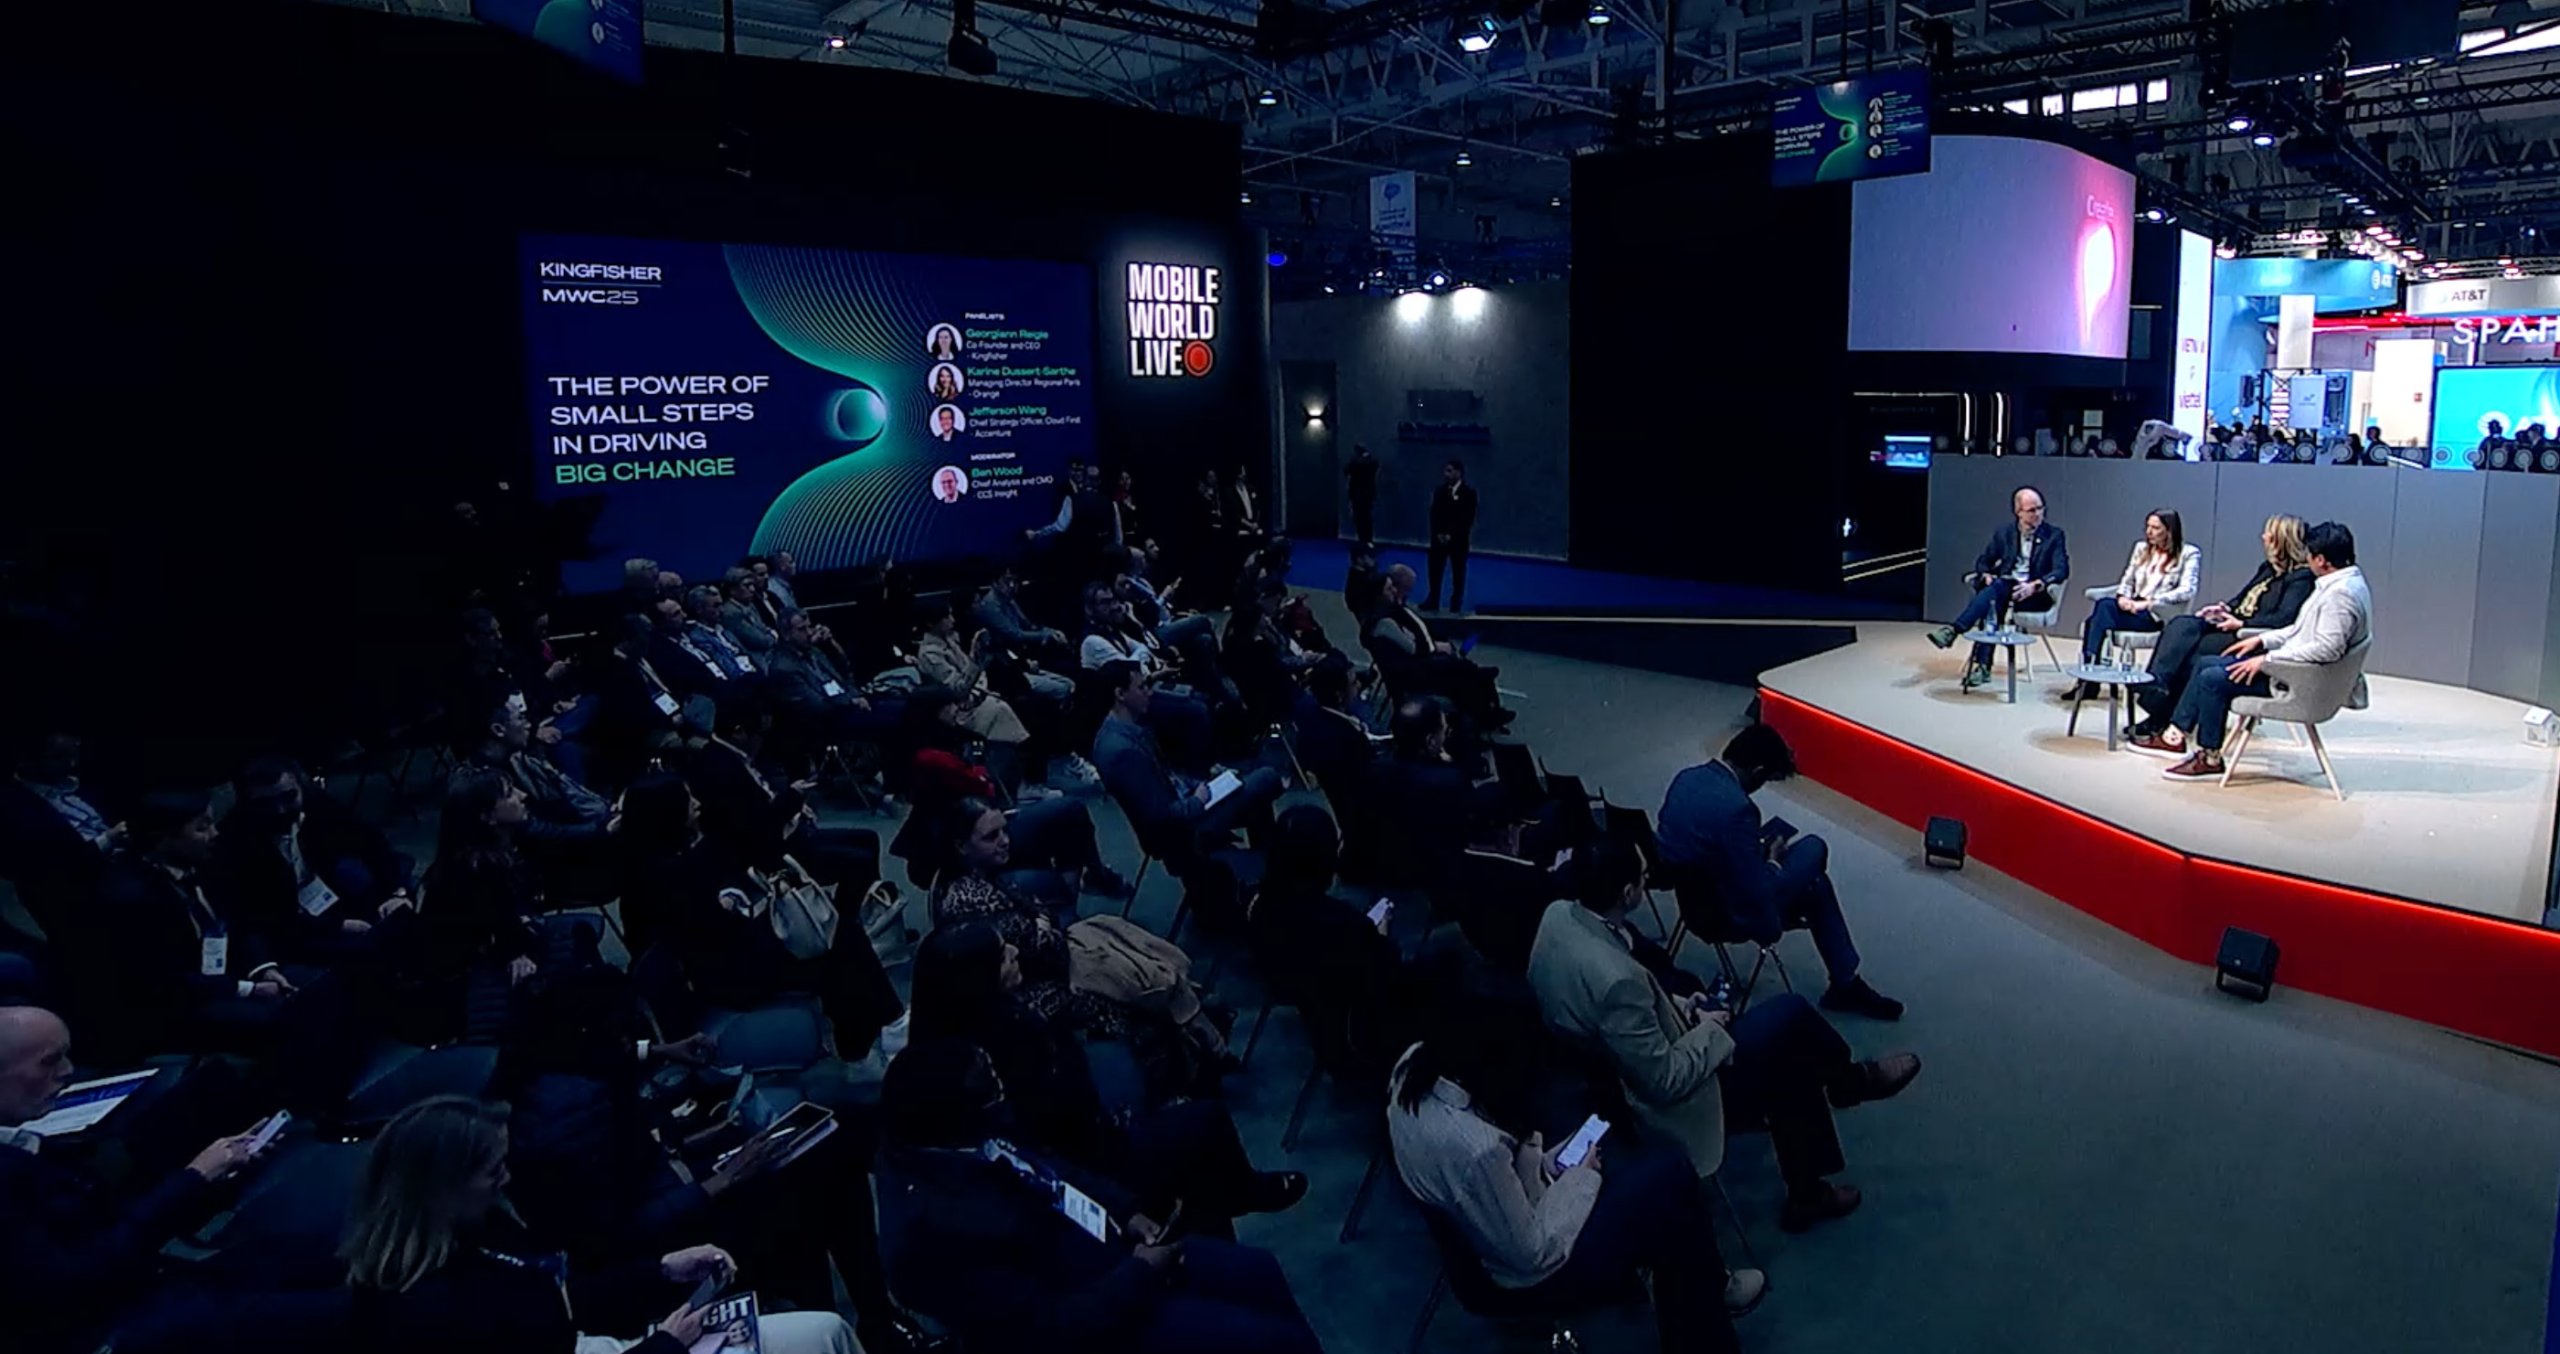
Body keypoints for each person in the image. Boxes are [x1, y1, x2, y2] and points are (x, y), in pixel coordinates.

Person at [1526, 837, 1921, 1230]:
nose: (1648, 885)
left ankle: (1834, 1117)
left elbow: (1625, 1010)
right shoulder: (1616, 981)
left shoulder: (1559, 915)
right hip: (1655, 1099)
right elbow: (1664, 1081)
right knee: (1791, 1030)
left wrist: (1680, 1006)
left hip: (1613, 1062)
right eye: (1645, 880)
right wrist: (1710, 1030)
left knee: (1789, 1039)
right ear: (1628, 893)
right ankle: (1842, 1098)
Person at [875, 1037, 1324, 1354]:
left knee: (1259, 1271)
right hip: (1083, 1311)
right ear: (956, 1113)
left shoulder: (963, 1128)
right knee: (1274, 1344)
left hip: (1105, 1250)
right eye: (990, 1087)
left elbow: (1049, 1169)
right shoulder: (928, 1237)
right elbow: (1046, 1332)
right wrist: (1142, 1273)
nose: (1002, 1092)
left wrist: (1125, 1209)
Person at [343, 1096, 857, 1354]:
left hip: (591, 1345)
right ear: (443, 1186)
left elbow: (558, 1302)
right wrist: (665, 1347)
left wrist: (660, 1270)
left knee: (823, 1331)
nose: (506, 1178)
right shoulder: (426, 1311)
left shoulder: (479, 1228)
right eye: (492, 1170)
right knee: (823, 1333)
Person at [1386, 1033, 1762, 1354]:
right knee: (1670, 1185)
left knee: (1664, 1198)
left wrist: (1542, 1165)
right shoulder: (1477, 1148)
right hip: (1522, 1274)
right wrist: (1579, 1180)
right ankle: (1705, 1311)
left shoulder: (1410, 1070)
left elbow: (1492, 1190)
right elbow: (1530, 1252)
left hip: (1482, 1237)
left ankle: (1698, 1294)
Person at [909, 921, 1292, 1220]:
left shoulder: (989, 1014)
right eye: (1003, 955)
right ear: (980, 979)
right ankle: (1239, 1193)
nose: (1014, 950)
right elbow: (1044, 1136)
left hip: (1086, 1124)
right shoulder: (981, 1063)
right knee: (1207, 1120)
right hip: (1082, 1162)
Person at [0, 1006, 280, 1354]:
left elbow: (105, 1218)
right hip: (109, 1327)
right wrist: (195, 1177)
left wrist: (206, 1177)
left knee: (332, 1259)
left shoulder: (23, 1142)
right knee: (340, 1312)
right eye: (49, 1062)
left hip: (146, 1281)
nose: (69, 1072)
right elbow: (73, 1282)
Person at [1656, 723, 1902, 1020]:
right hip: (1728, 915)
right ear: (1758, 771)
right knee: (1814, 848)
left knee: (1815, 885)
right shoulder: (1738, 809)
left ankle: (1846, 983)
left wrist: (1750, 853)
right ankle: (1846, 984)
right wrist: (1771, 859)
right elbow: (1759, 892)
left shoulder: (1686, 778)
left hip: (1691, 903)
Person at [2142, 521, 2373, 780]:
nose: (2306, 558)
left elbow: (2326, 650)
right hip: (2292, 666)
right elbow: (2299, 630)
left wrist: (2265, 660)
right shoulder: (2340, 583)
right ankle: (2175, 735)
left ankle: (2209, 756)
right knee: (2206, 663)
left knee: (2212, 678)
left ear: (2321, 559)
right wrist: (2261, 641)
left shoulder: (2340, 596)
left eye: (2309, 554)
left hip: (2299, 680)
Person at [79, 791, 296, 1062]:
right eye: (202, 828)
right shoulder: (129, 898)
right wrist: (246, 989)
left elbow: (242, 920)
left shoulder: (206, 862)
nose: (215, 834)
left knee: (305, 989)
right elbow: (161, 982)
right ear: (164, 838)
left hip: (221, 974)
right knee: (277, 1018)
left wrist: (264, 969)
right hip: (169, 1006)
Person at [2127, 515, 2313, 750]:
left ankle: (2162, 717)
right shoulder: (2267, 568)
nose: (2263, 537)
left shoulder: (2301, 578)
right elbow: (2242, 598)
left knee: (2195, 656)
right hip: (2232, 622)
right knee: (2181, 624)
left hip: (2251, 637)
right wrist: (2224, 608)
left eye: (2268, 533)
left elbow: (2284, 619)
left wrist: (2242, 623)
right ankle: (2156, 685)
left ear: (2281, 540)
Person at [213, 755, 415, 963]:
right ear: (245, 803)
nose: (280, 810)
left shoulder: (315, 804)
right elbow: (263, 919)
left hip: (326, 899)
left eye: (289, 797)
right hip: (284, 932)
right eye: (265, 803)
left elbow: (371, 841)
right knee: (364, 952)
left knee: (401, 915)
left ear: (301, 787)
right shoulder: (232, 843)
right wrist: (338, 926)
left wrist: (397, 893)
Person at [1094, 661, 1282, 853]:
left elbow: (1168, 778)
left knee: (1253, 791)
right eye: (1141, 687)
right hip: (1183, 829)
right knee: (1267, 777)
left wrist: (1198, 785)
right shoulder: (1122, 752)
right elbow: (1163, 816)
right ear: (1120, 694)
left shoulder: (1124, 731)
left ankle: (1265, 861)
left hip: (1185, 801)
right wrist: (1198, 800)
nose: (1149, 693)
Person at [1927, 485, 2070, 691]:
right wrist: (1985, 574)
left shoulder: (2054, 535)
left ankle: (1955, 633)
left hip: (2034, 593)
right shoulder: (2005, 533)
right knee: (1995, 592)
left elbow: (2061, 569)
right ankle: (1981, 665)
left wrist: (2036, 585)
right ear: (2018, 512)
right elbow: (1984, 561)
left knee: (1992, 597)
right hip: (2006, 587)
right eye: (2032, 510)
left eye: (2040, 508)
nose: (2038, 514)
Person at [2072, 507, 2201, 679]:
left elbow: (2187, 591)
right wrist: (2123, 597)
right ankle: (2089, 674)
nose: (2149, 532)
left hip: (2156, 613)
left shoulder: (2188, 554)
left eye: (2155, 528)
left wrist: (2149, 603)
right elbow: (2128, 579)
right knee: (2099, 613)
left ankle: (2088, 677)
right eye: (2148, 526)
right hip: (2133, 606)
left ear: (2169, 530)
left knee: (2098, 616)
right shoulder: (2141, 548)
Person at [1422, 458, 1478, 612]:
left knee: (1458, 573)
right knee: (1435, 571)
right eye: (1445, 471)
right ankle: (1433, 599)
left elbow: (1467, 518)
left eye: (1449, 471)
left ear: (1458, 473)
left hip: (1458, 541)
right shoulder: (1439, 491)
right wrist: (1439, 534)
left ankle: (1456, 602)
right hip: (1438, 540)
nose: (1446, 474)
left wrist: (1451, 535)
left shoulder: (1469, 493)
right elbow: (1434, 515)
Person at [1343, 442, 1380, 543]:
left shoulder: (1355, 462)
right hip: (1369, 494)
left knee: (1359, 519)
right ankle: (1369, 540)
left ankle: (1362, 540)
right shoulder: (1373, 461)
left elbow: (1346, 471)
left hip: (1357, 494)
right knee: (1367, 518)